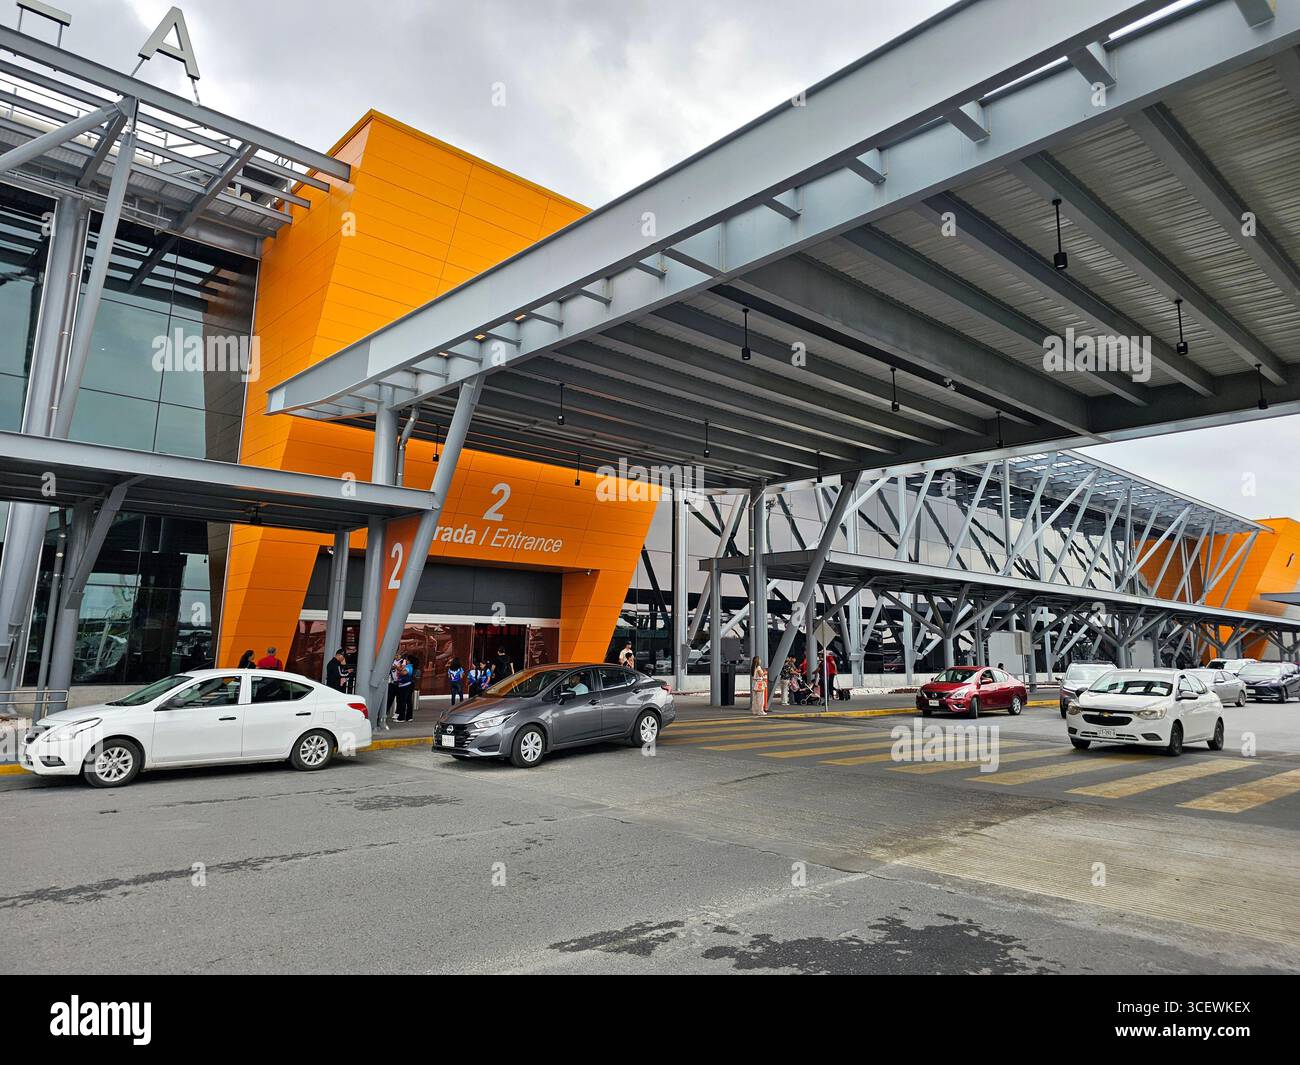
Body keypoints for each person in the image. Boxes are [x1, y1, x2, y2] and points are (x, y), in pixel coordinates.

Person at [395, 654, 415, 723]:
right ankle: (409, 717)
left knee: (402, 702)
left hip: (405, 686)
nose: (405, 660)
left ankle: (401, 717)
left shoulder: (408, 667)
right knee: (408, 701)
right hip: (407, 685)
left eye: (406, 659)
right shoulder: (410, 666)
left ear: (409, 661)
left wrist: (397, 669)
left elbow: (404, 673)